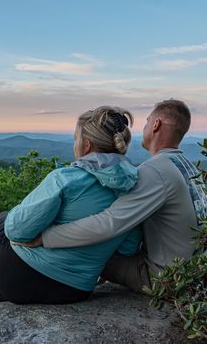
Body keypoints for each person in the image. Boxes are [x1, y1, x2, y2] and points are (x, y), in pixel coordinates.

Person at [21, 99, 206, 292]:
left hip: (167, 279)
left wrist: (46, 237)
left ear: (156, 124)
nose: (144, 127)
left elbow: (108, 224)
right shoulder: (188, 167)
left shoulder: (156, 171)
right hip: (193, 273)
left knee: (91, 252)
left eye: (147, 121)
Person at [0, 106, 143, 304]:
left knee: (1, 220)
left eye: (76, 139)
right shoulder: (132, 189)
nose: (75, 144)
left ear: (87, 145)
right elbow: (129, 247)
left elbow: (16, 231)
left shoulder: (65, 179)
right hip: (77, 291)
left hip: (25, 280)